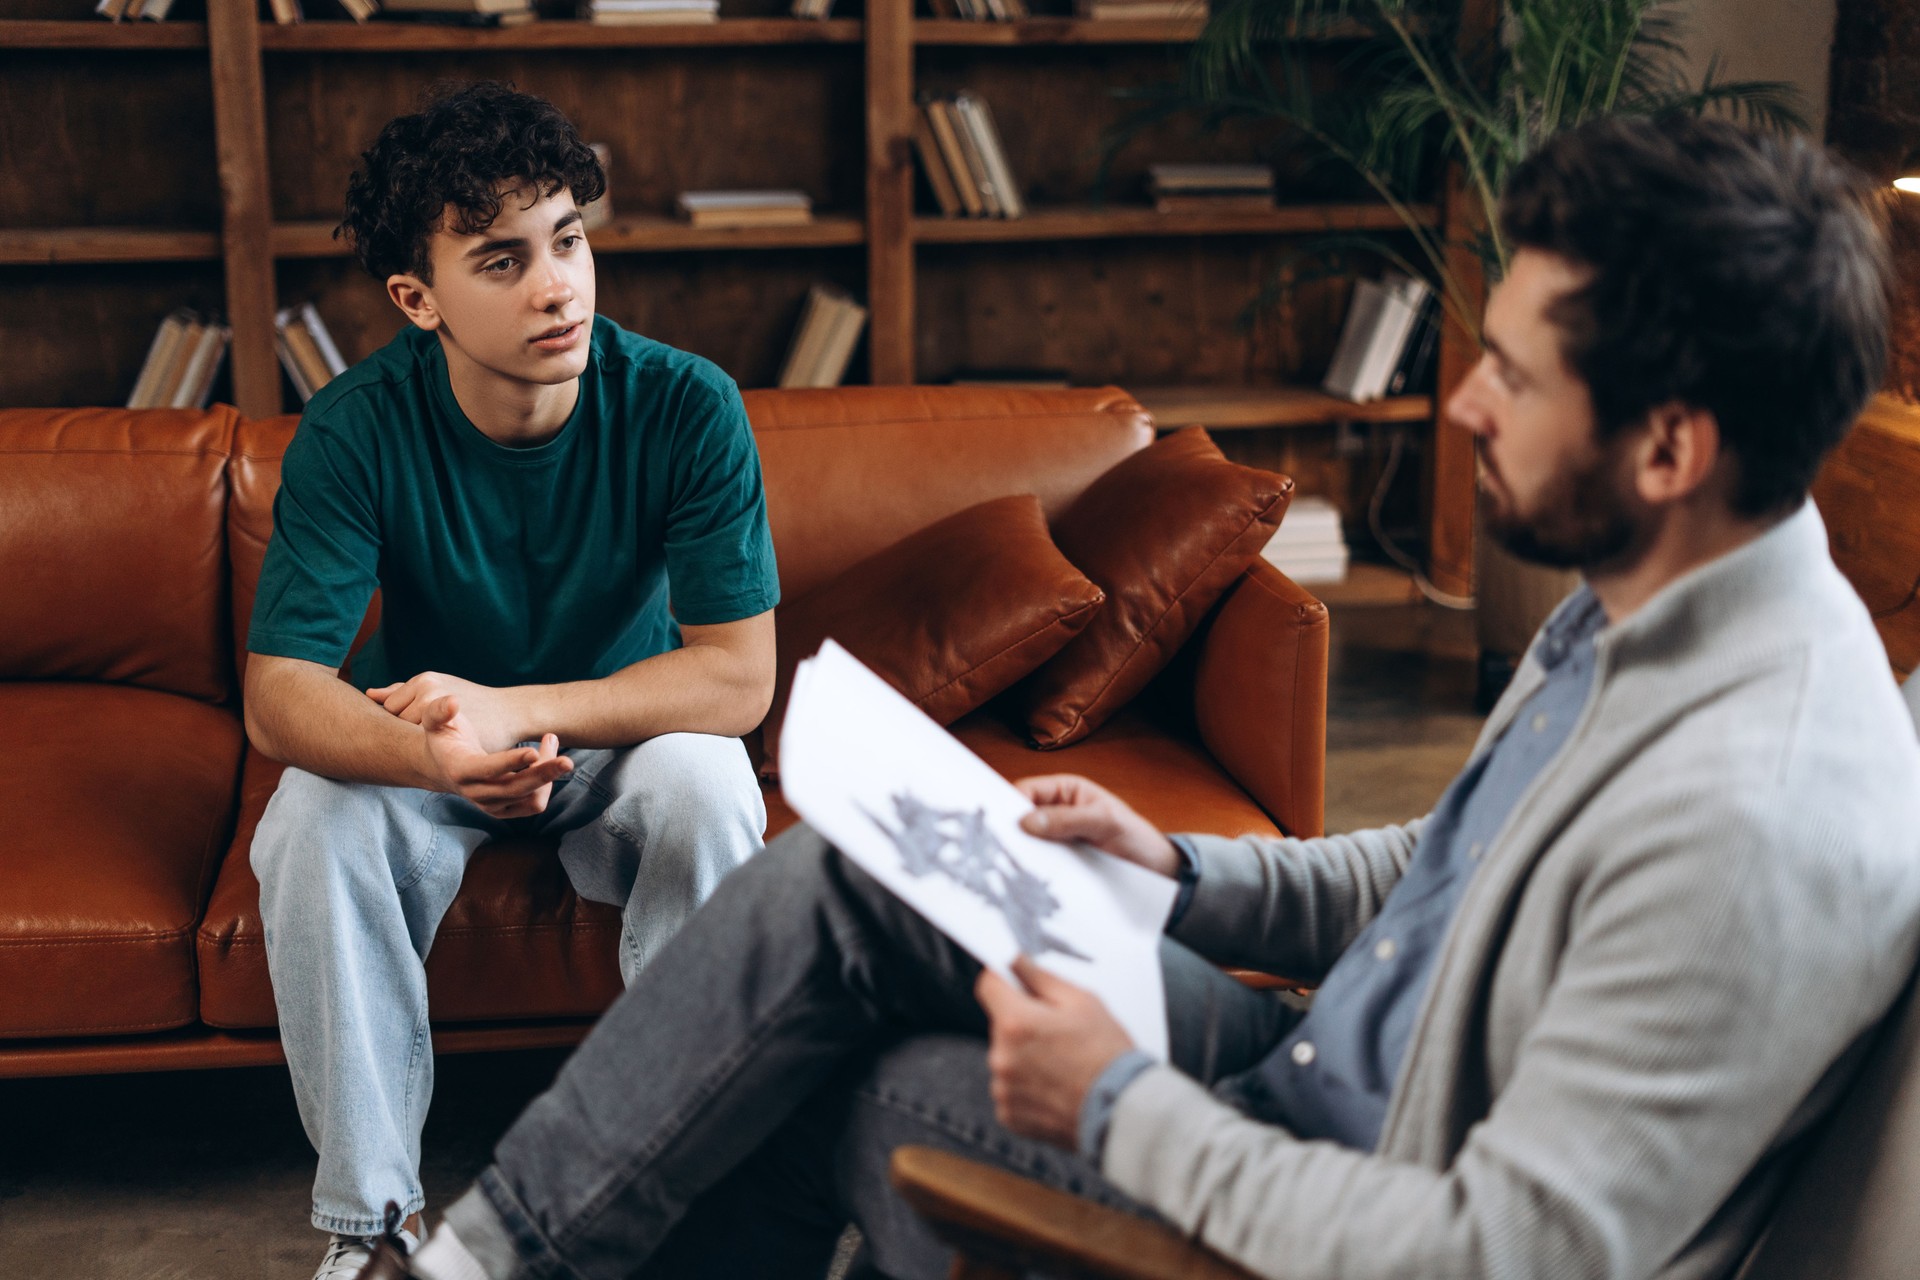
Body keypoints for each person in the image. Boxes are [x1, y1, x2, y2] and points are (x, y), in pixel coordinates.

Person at [361, 114, 1920, 1280]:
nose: (1462, 402)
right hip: (1304, 1066)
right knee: (846, 879)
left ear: (1669, 446)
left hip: (1337, 1192)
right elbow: (1441, 866)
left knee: (862, 1083)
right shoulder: (1654, 606)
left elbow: (1492, 1252)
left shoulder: (1751, 813)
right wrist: (1182, 873)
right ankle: (489, 1257)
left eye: (1515, 375)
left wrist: (1115, 1107)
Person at [241, 81, 779, 1280]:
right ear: (416, 298)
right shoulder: (353, 427)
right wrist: (437, 749)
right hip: (432, 749)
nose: (557, 286)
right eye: (502, 260)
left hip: (622, 734)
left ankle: (694, 1191)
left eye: (569, 239)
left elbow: (737, 679)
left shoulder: (687, 403)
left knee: (710, 782)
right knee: (307, 822)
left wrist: (517, 709)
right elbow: (280, 690)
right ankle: (374, 1230)